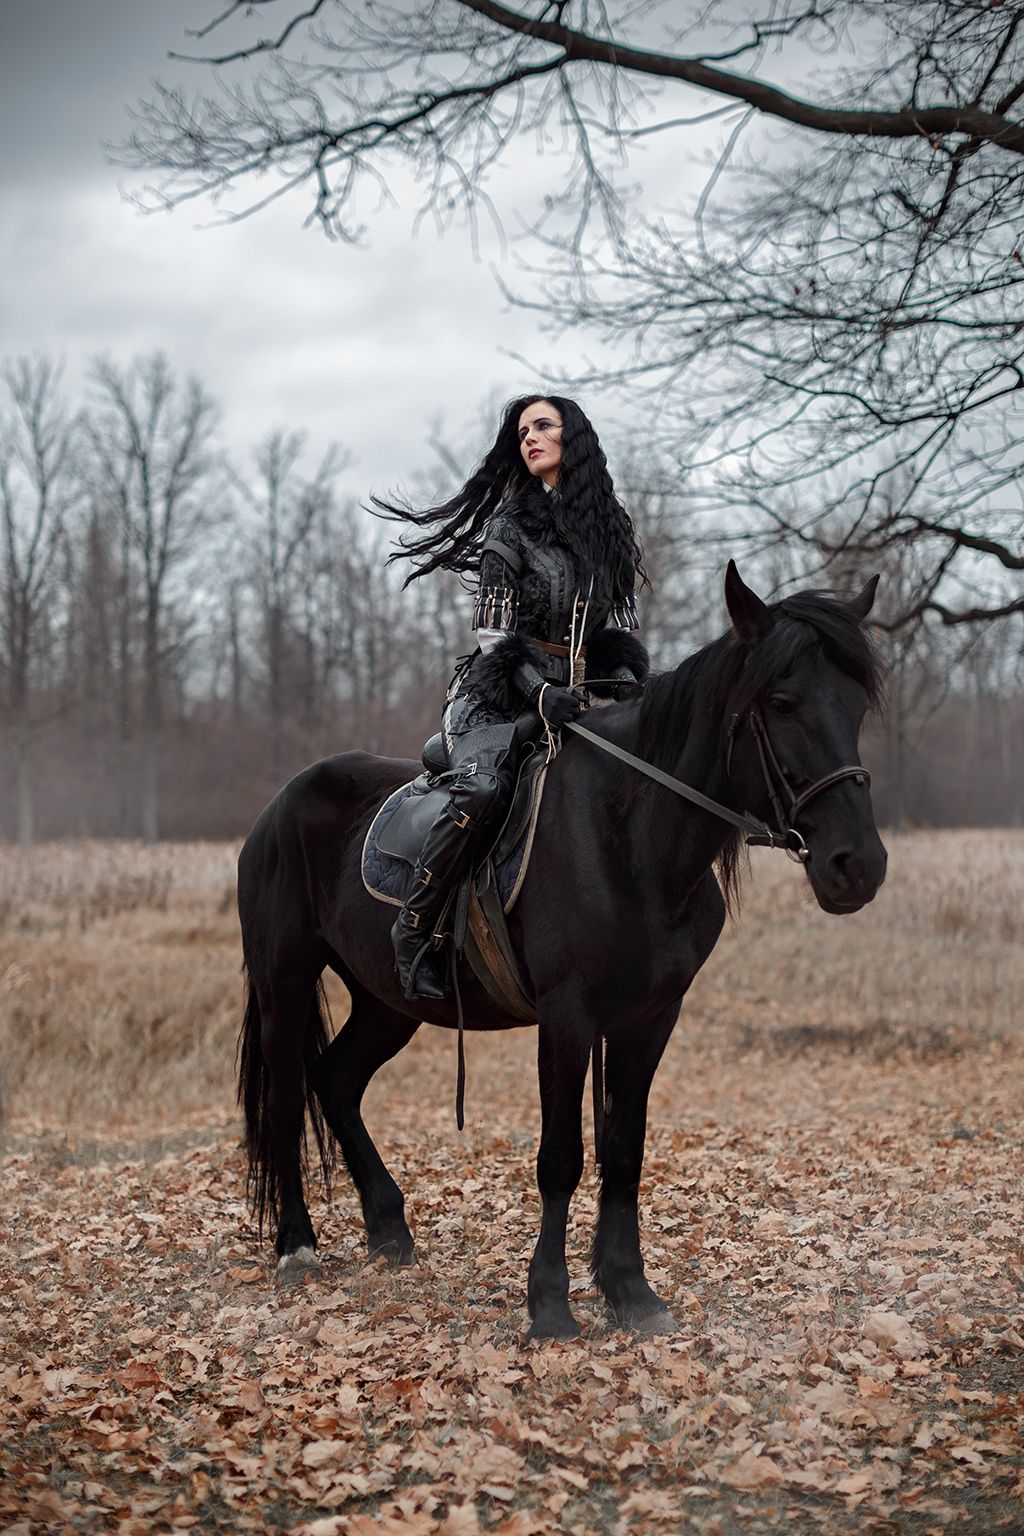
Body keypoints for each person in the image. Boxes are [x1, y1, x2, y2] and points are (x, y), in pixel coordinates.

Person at [376, 394, 650, 1001]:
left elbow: (618, 631)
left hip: (575, 699)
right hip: (496, 698)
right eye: (523, 431)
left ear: (572, 438)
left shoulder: (611, 529)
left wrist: (630, 687)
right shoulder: (510, 525)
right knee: (483, 788)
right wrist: (539, 690)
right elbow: (494, 638)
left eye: (543, 426)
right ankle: (413, 929)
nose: (530, 438)